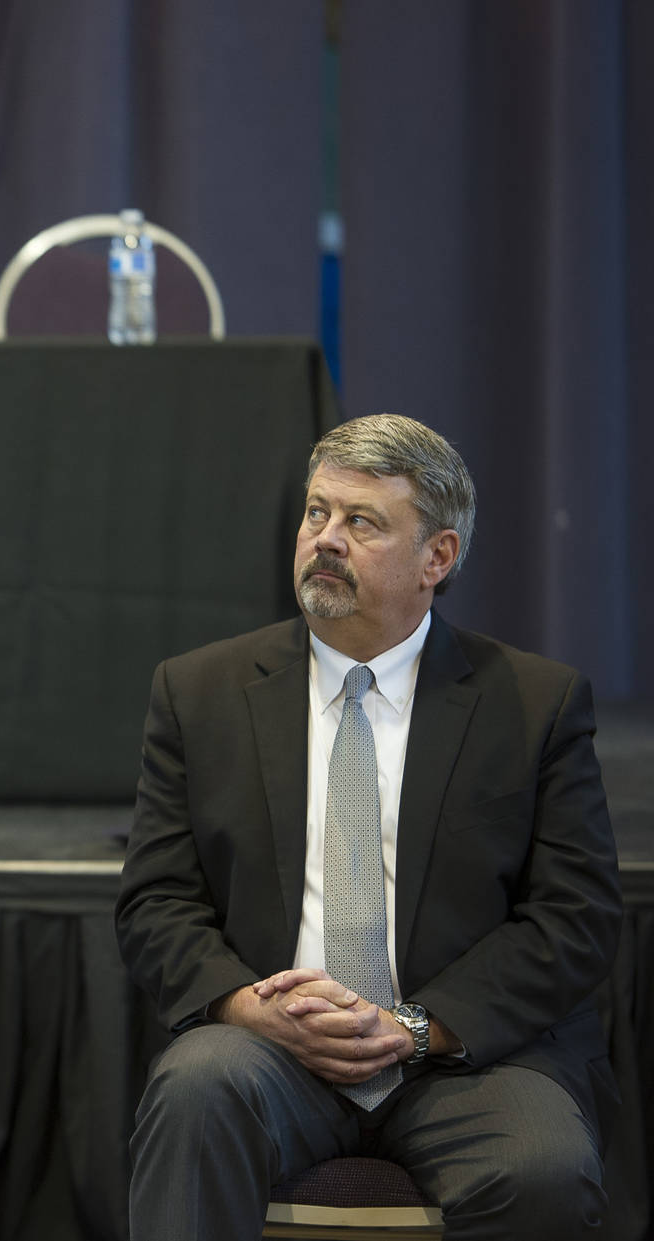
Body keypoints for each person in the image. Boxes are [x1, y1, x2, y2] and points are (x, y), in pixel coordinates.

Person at [116, 413, 620, 1239]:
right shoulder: (198, 691)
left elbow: (575, 916)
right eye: (317, 513)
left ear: (439, 558)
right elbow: (156, 902)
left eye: (362, 522)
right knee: (194, 1096)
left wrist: (417, 1027)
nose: (326, 539)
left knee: (543, 1169)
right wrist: (247, 1006)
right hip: (268, 1049)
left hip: (464, 1055)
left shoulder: (533, 703)